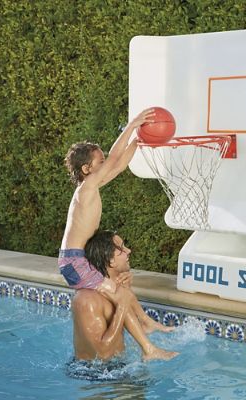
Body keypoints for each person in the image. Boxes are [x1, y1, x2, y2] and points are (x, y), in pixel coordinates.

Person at [58, 109, 155, 295]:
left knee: (120, 290)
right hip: (74, 261)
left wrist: (138, 140)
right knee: (117, 292)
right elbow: (114, 158)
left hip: (78, 259)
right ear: (86, 169)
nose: (106, 165)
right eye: (101, 162)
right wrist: (132, 125)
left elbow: (118, 166)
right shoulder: (85, 189)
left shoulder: (91, 187)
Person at [71, 230, 179, 361]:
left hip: (118, 365)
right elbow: (102, 354)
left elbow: (130, 320)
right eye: (122, 249)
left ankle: (150, 347)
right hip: (92, 371)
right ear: (110, 260)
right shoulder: (87, 300)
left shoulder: (115, 289)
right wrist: (122, 305)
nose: (129, 251)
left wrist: (126, 289)